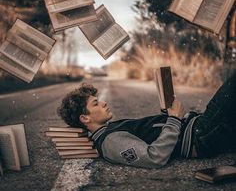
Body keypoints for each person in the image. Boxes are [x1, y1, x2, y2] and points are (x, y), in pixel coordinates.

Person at [57, 72, 236, 168]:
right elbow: (154, 157)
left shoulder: (108, 131)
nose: (103, 103)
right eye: (96, 104)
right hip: (199, 135)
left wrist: (168, 116)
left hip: (199, 129)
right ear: (85, 118)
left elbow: (152, 132)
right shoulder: (110, 141)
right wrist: (174, 119)